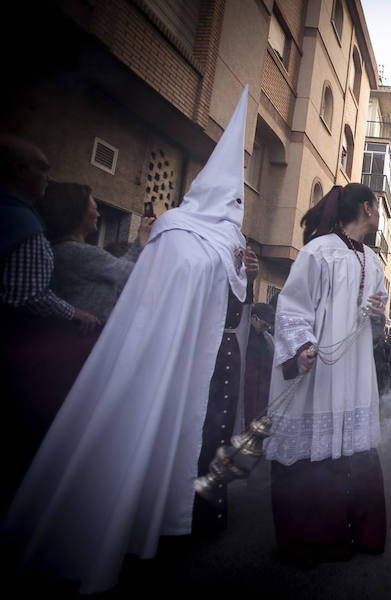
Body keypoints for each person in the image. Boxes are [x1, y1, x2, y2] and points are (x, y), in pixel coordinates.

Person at [1, 87, 256, 593]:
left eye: (240, 202)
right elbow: (148, 297)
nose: (237, 212)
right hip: (155, 358)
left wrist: (241, 271)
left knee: (192, 442)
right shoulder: (175, 230)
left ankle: (165, 520)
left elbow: (226, 304)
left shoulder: (226, 243)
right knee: (139, 432)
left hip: (203, 364)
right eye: (232, 200)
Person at [265, 183, 388, 566]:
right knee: (316, 443)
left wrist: (379, 316)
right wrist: (301, 346)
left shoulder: (375, 260)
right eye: (378, 207)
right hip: (318, 370)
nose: (380, 215)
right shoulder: (318, 251)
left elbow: (379, 325)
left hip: (355, 370)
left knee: (354, 446)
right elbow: (292, 306)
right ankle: (316, 538)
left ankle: (358, 530)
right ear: (366, 208)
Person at [0, 135, 101, 510]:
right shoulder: (22, 223)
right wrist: (75, 312)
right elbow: (26, 294)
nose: (48, 174)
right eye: (42, 166)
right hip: (29, 349)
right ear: (19, 170)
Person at [35, 181, 155, 321]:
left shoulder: (62, 249)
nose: (98, 214)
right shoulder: (78, 252)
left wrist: (140, 239)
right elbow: (131, 274)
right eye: (94, 209)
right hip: (81, 337)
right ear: (78, 213)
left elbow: (117, 266)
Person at [244, 301, 275, 421]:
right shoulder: (244, 337)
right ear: (253, 318)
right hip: (246, 389)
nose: (265, 329)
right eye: (264, 325)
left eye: (267, 327)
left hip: (261, 390)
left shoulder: (267, 340)